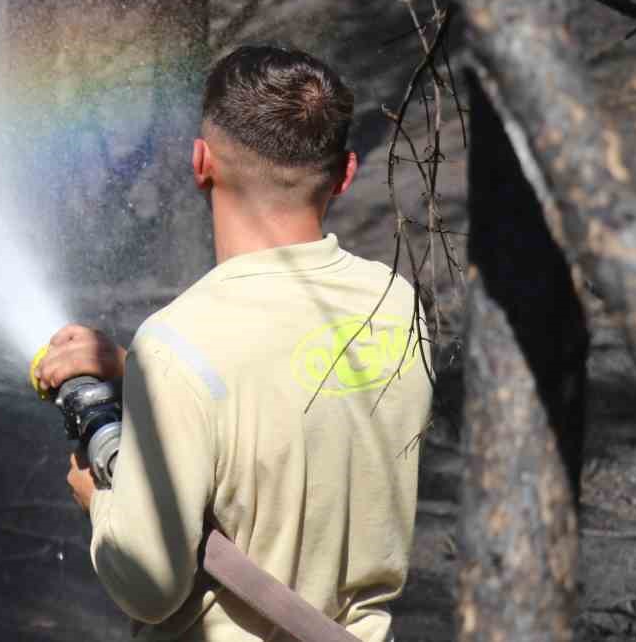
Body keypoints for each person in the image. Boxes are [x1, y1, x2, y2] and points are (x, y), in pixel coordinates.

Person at [36, 45, 431, 642]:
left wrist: (100, 502)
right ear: (346, 174)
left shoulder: (182, 346)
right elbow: (295, 390)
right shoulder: (397, 306)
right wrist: (140, 375)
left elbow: (149, 586)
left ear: (201, 163)